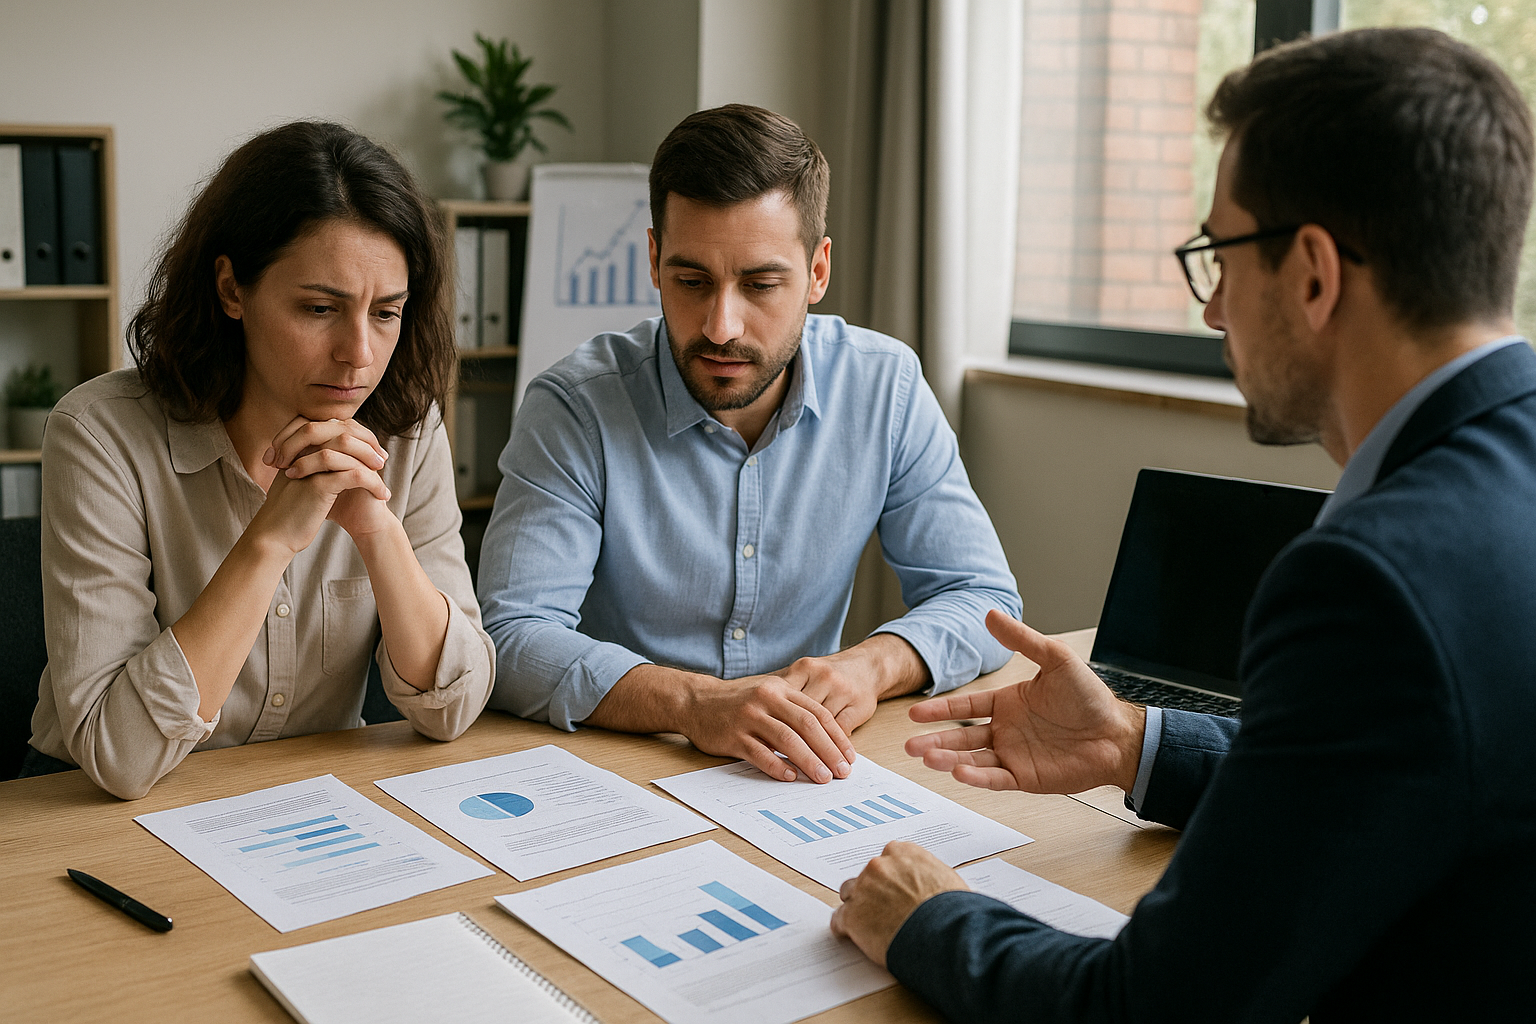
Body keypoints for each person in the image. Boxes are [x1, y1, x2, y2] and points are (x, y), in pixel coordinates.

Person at [831, 28, 1536, 1022]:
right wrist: (1130, 738)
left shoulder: (1370, 581)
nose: (1212, 311)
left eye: (1221, 255)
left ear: (1314, 274)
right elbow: (1382, 786)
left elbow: (1150, 1008)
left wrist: (928, 916)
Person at [478, 105, 1020, 785]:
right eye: (691, 281)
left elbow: (981, 597)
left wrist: (871, 665)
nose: (721, 325)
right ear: (653, 260)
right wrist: (694, 702)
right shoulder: (576, 407)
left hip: (805, 776)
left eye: (761, 284)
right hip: (618, 769)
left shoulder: (886, 388)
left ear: (818, 271)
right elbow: (511, 634)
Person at [25, 122, 495, 800]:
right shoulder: (100, 435)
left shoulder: (408, 431)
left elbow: (453, 706)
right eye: (319, 307)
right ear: (231, 289)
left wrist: (378, 531)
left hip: (299, 799)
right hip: (87, 806)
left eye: (386, 313)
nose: (358, 353)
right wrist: (271, 539)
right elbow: (118, 756)